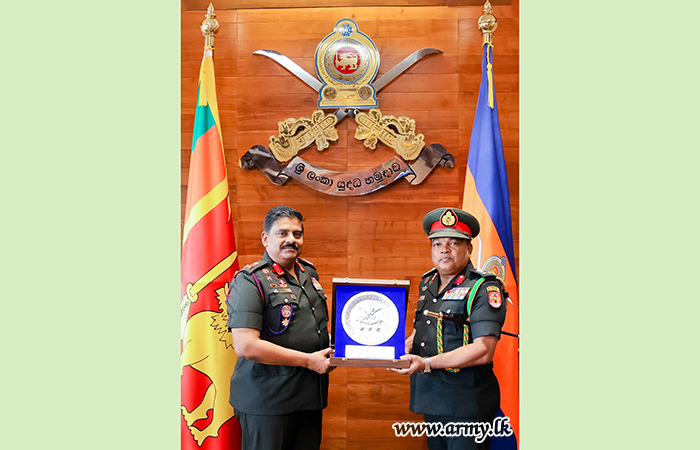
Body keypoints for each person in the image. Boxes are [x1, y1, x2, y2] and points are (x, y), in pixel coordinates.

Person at [393, 207, 508, 450]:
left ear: (469, 249)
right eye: (437, 244)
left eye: (453, 243)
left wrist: (425, 363)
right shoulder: (428, 282)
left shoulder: (484, 288)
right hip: (432, 398)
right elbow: (425, 329)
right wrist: (398, 347)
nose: (444, 249)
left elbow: (483, 350)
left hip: (467, 404)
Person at [227, 206, 333, 450]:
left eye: (297, 234)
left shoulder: (309, 273)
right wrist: (309, 361)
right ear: (265, 239)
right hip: (267, 400)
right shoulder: (250, 280)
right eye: (282, 233)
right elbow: (246, 346)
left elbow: (311, 328)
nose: (291, 240)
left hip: (309, 396)